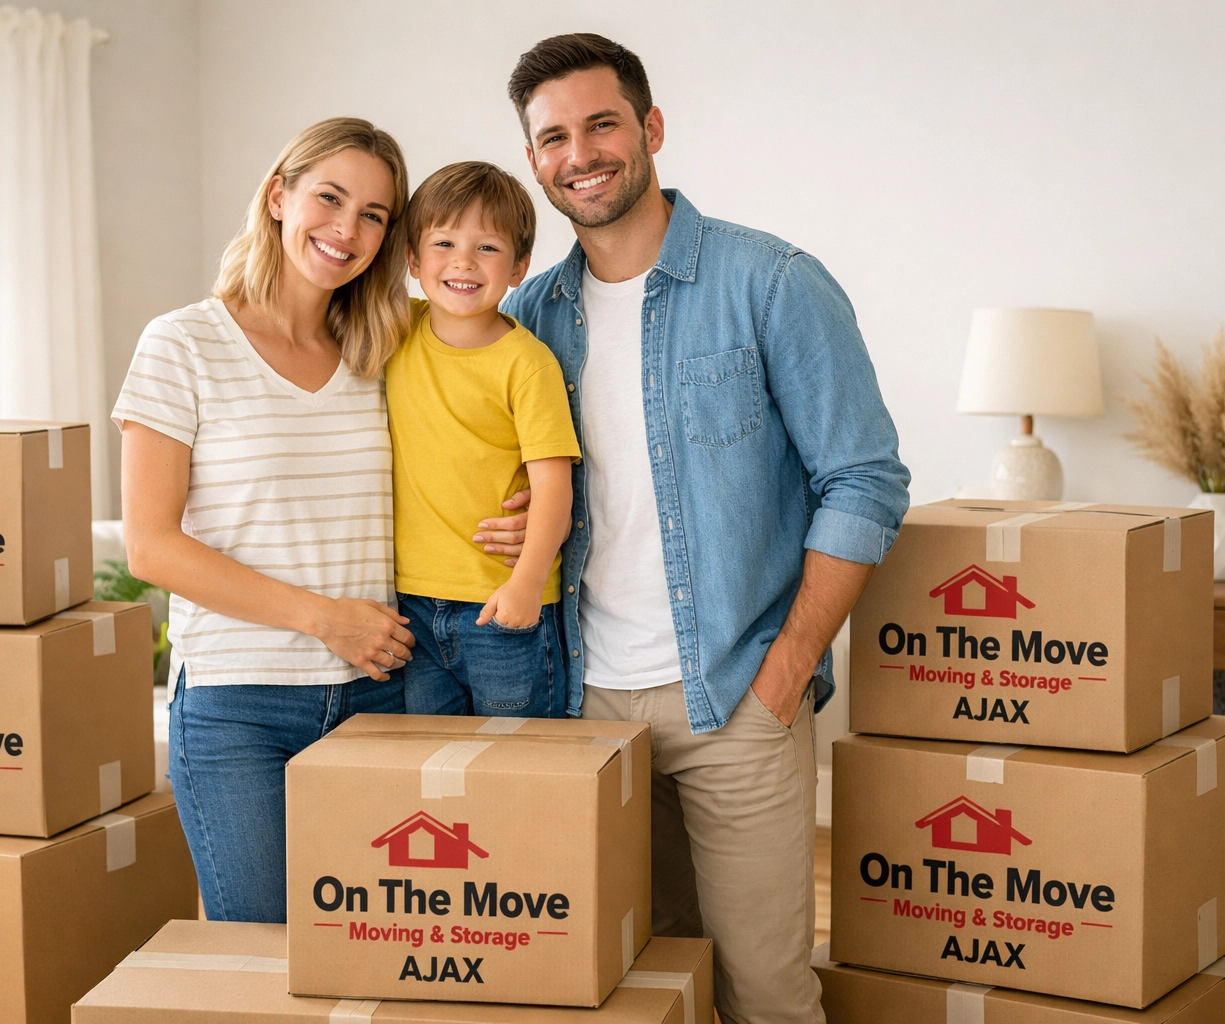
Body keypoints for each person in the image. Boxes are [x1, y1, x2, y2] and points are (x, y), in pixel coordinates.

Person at [488, 34, 912, 1024]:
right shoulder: (528, 314)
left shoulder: (770, 281)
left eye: (601, 124)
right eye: (553, 137)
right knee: (640, 989)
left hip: (734, 699)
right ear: (533, 160)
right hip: (583, 702)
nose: (580, 153)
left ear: (651, 128)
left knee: (763, 992)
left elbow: (865, 480)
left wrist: (786, 667)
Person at [112, 118, 417, 924]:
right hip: (238, 710)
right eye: (329, 197)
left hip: (377, 695)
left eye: (375, 214)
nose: (347, 229)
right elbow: (150, 545)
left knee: (377, 954)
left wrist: (524, 493)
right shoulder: (183, 344)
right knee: (262, 962)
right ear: (279, 196)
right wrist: (327, 621)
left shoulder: (388, 348)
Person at [389, 161, 580, 718]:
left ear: (519, 266)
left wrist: (526, 585)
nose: (463, 262)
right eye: (443, 242)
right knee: (435, 776)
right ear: (413, 259)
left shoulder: (527, 363)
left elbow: (553, 489)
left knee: (518, 765)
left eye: (488, 248)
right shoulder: (397, 328)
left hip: (503, 607)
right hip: (412, 609)